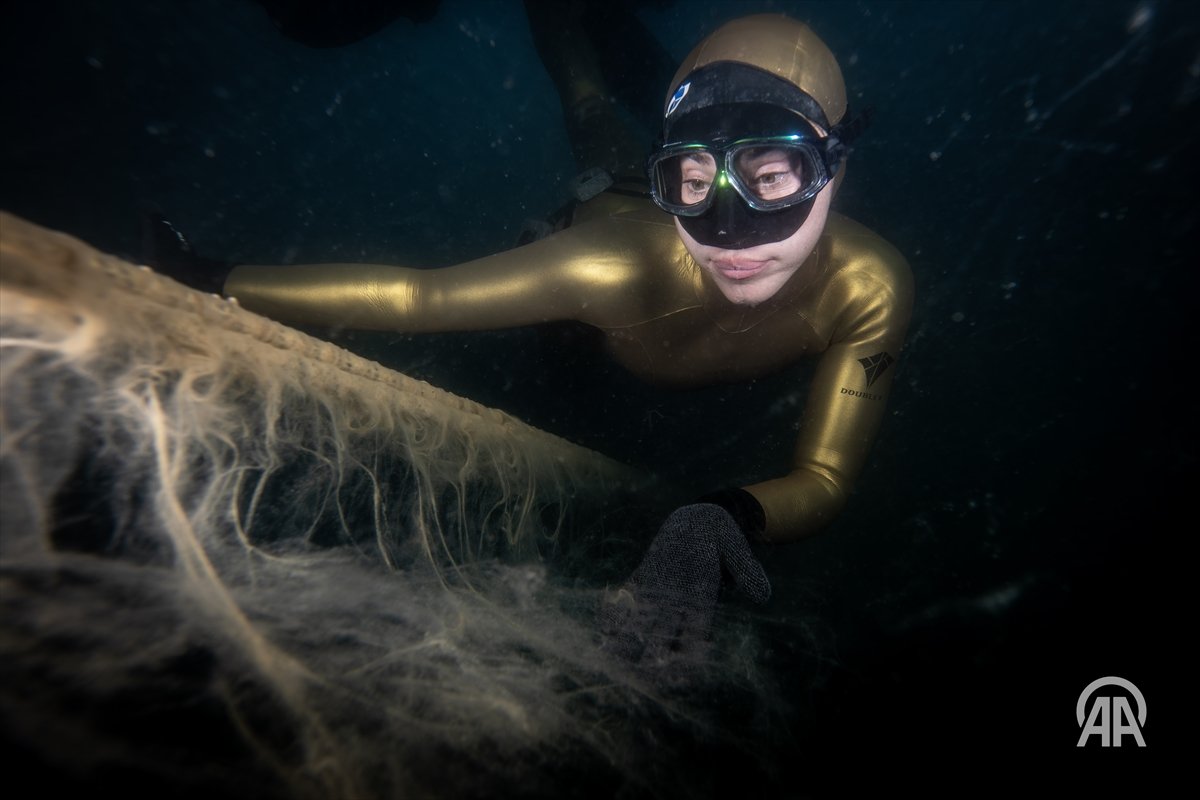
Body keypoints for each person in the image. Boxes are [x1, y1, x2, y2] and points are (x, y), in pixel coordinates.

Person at [221, 14, 914, 666]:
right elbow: (417, 296)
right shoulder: (602, 268)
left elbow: (823, 479)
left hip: (631, 244)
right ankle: (559, 20)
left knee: (597, 124)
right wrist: (212, 278)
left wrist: (719, 515)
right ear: (666, 177)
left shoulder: (869, 288)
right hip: (595, 242)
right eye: (693, 182)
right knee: (591, 123)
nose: (730, 233)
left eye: (771, 178)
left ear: (835, 167)